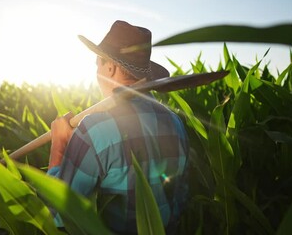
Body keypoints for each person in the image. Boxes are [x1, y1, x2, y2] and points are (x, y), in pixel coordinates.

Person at [47, 20, 189, 234]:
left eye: (98, 65)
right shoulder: (175, 122)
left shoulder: (94, 130)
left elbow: (57, 214)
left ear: (110, 67)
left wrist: (59, 146)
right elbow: (179, 200)